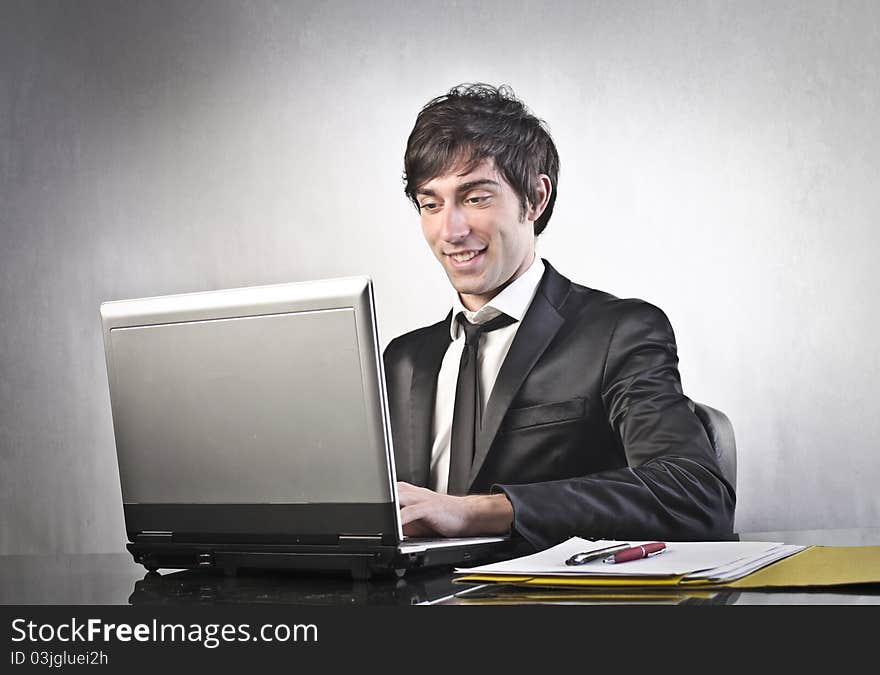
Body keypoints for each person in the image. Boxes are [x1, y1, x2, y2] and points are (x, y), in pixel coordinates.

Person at [383, 83, 736, 552]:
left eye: (475, 198)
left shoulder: (619, 332)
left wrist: (484, 512)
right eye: (431, 204)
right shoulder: (403, 358)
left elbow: (695, 495)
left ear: (534, 199)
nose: (450, 230)